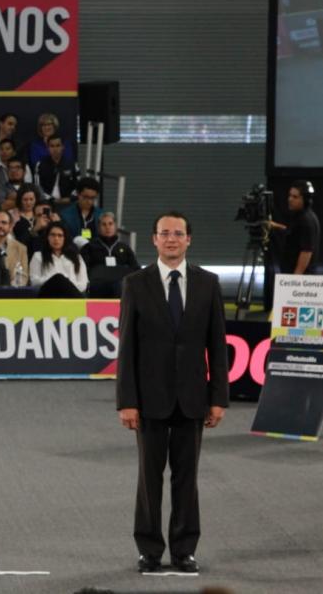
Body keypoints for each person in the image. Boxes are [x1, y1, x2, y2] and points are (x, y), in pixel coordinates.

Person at [116, 211, 229, 574]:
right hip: (148, 400)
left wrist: (218, 398)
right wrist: (127, 402)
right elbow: (128, 349)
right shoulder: (135, 283)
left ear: (189, 239)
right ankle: (149, 550)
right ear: (153, 240)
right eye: (164, 233)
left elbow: (217, 344)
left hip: (194, 398)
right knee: (149, 479)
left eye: (178, 233)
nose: (171, 239)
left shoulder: (208, 283)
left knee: (187, 478)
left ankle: (184, 550)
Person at [81, 211, 139, 297]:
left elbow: (135, 269)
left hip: (120, 287)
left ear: (115, 226)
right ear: (99, 227)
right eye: (104, 224)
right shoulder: (89, 247)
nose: (107, 227)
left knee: (120, 286)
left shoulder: (125, 248)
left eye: (110, 224)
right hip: (98, 287)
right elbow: (83, 271)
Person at [268, 180, 321, 274]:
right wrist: (274, 225)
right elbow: (293, 233)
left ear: (305, 199)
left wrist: (294, 279)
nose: (290, 199)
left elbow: (306, 252)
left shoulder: (306, 221)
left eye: (295, 197)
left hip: (300, 280)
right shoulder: (300, 216)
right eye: (290, 195)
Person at [29, 221, 88, 296]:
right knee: (58, 278)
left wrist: (66, 284)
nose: (56, 239)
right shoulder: (38, 256)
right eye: (53, 235)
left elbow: (83, 284)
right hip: (48, 294)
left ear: (65, 238)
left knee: (61, 279)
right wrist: (54, 279)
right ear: (47, 237)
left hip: (71, 295)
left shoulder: (76, 257)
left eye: (60, 235)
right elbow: (34, 281)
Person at [33, 135, 80, 205]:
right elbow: (38, 186)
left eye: (58, 146)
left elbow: (78, 185)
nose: (55, 149)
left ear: (63, 147)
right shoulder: (40, 165)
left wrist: (70, 198)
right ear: (47, 148)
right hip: (46, 203)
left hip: (68, 202)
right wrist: (50, 200)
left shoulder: (72, 165)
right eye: (52, 146)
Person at [60, 177, 103, 248]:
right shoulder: (65, 215)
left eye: (92, 198)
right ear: (78, 194)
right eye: (86, 197)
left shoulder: (101, 215)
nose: (89, 201)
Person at [0, 210, 29, 286]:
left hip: (12, 293)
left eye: (4, 223)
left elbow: (24, 276)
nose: (0, 226)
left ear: (10, 226)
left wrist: (9, 290)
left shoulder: (20, 248)